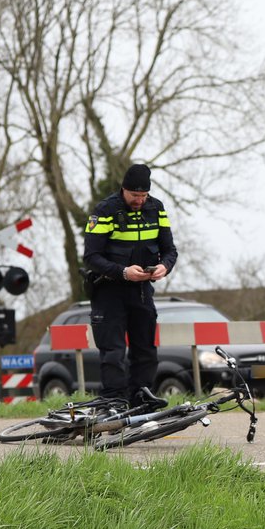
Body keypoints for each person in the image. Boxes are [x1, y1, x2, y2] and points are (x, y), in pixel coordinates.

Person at [83, 163, 178, 404]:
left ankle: (142, 397)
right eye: (135, 196)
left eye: (143, 195)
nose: (139, 200)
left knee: (145, 349)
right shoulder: (104, 210)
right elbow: (91, 257)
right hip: (109, 291)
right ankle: (114, 401)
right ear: (123, 190)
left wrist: (164, 267)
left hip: (142, 291)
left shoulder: (157, 208)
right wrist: (123, 272)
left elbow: (170, 250)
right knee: (113, 353)